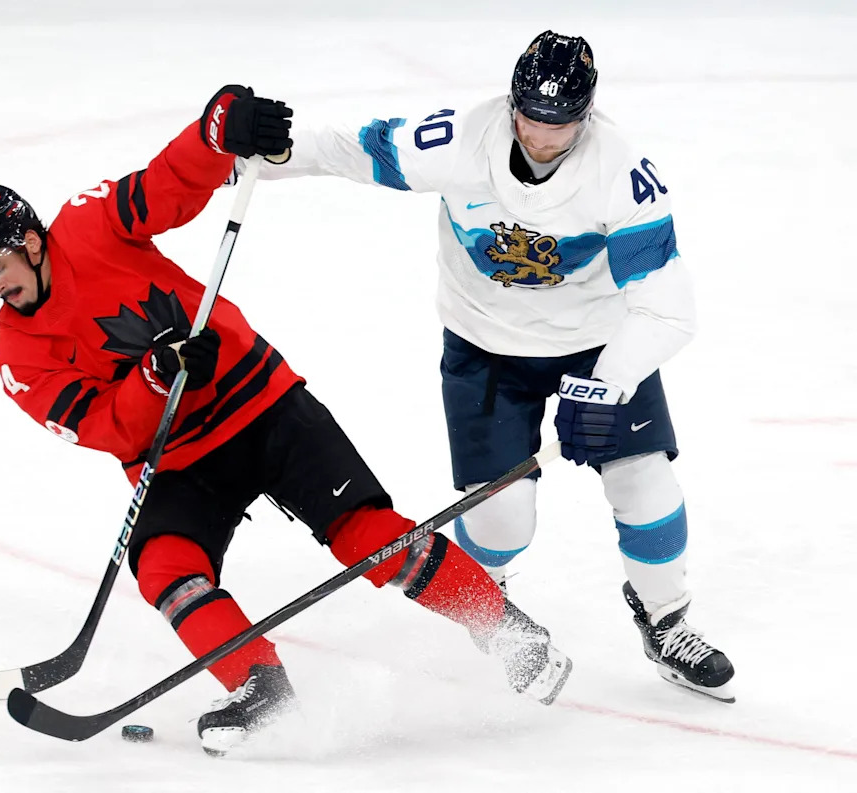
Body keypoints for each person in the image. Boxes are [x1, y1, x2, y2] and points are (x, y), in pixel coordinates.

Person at [0, 84, 573, 755]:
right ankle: (259, 684)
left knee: (366, 535)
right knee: (163, 563)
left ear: (32, 240)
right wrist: (155, 377)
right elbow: (111, 429)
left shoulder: (89, 223)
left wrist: (216, 130)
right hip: (179, 454)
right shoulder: (18, 355)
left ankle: (509, 631)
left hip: (262, 401)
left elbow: (166, 187)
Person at [254, 32, 735, 702]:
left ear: (586, 116)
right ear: (511, 106)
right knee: (505, 515)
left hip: (596, 344)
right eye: (530, 118)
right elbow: (355, 149)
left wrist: (607, 383)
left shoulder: (621, 173)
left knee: (645, 482)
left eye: (559, 124)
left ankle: (667, 619)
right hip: (485, 349)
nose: (541, 137)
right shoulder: (456, 141)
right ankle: (490, 608)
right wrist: (267, 151)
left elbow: (669, 308)